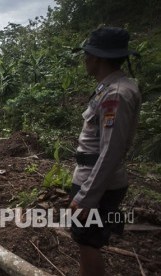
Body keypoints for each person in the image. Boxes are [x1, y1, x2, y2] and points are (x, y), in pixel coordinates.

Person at [69, 26, 141, 275]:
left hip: (97, 183)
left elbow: (111, 151)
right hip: (94, 179)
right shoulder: (110, 88)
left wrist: (86, 197)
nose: (85, 59)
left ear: (97, 58)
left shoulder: (116, 94)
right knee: (85, 241)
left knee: (88, 242)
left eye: (87, 54)